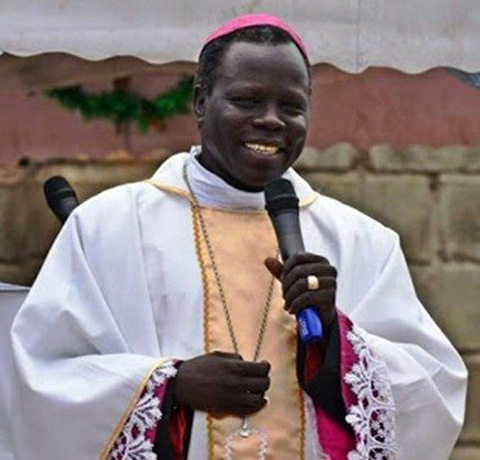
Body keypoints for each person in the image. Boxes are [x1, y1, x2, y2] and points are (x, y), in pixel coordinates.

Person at [11, 14, 467, 460]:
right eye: (247, 100)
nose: (271, 120)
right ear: (201, 102)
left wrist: (334, 337)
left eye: (292, 107)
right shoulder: (105, 226)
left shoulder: (364, 242)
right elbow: (40, 379)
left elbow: (433, 392)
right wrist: (172, 386)